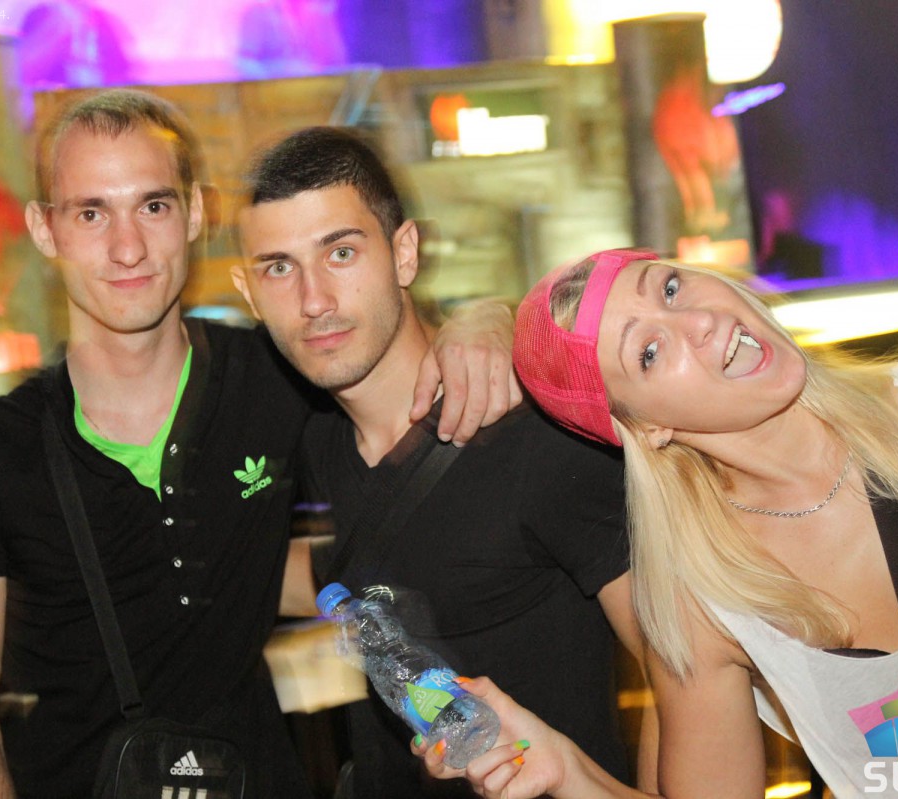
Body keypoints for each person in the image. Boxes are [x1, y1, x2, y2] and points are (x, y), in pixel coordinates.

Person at [0, 89, 515, 799]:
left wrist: (489, 321)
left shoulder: (277, 377)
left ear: (195, 212)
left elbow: (396, 362)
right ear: (46, 229)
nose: (128, 247)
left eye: (153, 206)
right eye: (91, 213)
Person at [420, 248, 898, 798]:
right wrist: (564, 767)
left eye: (671, 287)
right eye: (648, 352)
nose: (698, 322)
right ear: (646, 428)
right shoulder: (701, 602)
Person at [231, 130, 648, 798]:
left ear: (404, 252)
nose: (314, 300)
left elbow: (686, 673)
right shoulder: (312, 438)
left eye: (341, 253)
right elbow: (355, 567)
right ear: (248, 293)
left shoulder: (532, 440)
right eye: (279, 268)